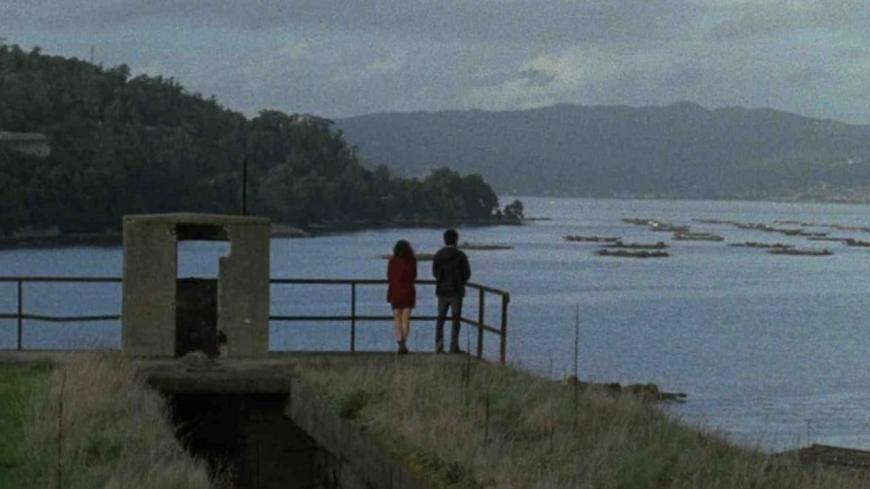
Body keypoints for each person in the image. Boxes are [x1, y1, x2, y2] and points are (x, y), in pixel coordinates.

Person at [432, 228, 471, 353]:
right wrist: (461, 280)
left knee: (440, 318)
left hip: (442, 291)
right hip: (456, 291)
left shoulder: (438, 255)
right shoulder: (461, 255)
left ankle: (439, 344)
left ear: (444, 240)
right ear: (456, 240)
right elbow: (467, 274)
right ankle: (454, 346)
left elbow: (435, 273)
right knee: (456, 319)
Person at [387, 239, 417, 354]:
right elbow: (414, 275)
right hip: (408, 291)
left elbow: (389, 275)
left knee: (397, 319)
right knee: (405, 319)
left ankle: (400, 343)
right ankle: (404, 342)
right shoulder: (411, 261)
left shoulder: (392, 261)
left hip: (395, 291)